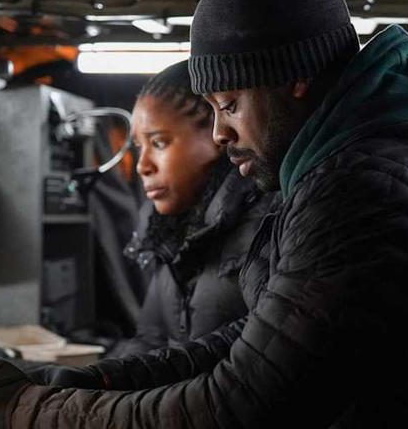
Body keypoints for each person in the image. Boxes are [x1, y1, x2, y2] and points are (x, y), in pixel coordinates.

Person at [0, 0, 408, 427]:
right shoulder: (359, 168)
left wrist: (21, 413)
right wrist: (76, 383)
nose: (222, 132)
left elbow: (239, 406)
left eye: (229, 102)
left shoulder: (368, 188)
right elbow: (257, 339)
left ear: (294, 79)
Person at [28, 60, 276, 388]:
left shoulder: (270, 227)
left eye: (158, 143)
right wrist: (84, 383)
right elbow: (150, 341)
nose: (142, 166)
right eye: (139, 148)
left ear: (216, 134)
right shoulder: (168, 232)